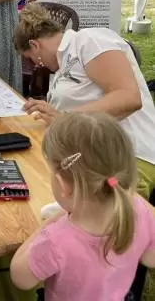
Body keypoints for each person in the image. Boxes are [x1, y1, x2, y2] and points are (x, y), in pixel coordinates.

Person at [13, 3, 155, 200]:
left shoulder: (89, 41)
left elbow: (129, 97)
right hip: (96, 158)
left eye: (32, 59)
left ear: (35, 45)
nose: (37, 65)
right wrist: (50, 113)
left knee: (95, 210)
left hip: (128, 158)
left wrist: (66, 118)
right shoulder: (62, 66)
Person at [10, 113, 155, 300]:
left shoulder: (56, 240)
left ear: (62, 184)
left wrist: (49, 223)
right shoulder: (138, 210)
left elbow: (20, 277)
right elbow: (150, 259)